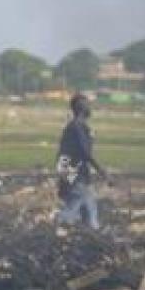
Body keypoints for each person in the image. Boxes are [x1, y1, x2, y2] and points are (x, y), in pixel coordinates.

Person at [56, 93, 107, 230]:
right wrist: (100, 170)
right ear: (81, 108)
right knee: (77, 201)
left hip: (75, 172)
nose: (90, 108)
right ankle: (61, 228)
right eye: (87, 105)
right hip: (75, 172)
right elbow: (84, 152)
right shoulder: (77, 127)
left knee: (88, 204)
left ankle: (92, 231)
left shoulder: (77, 127)